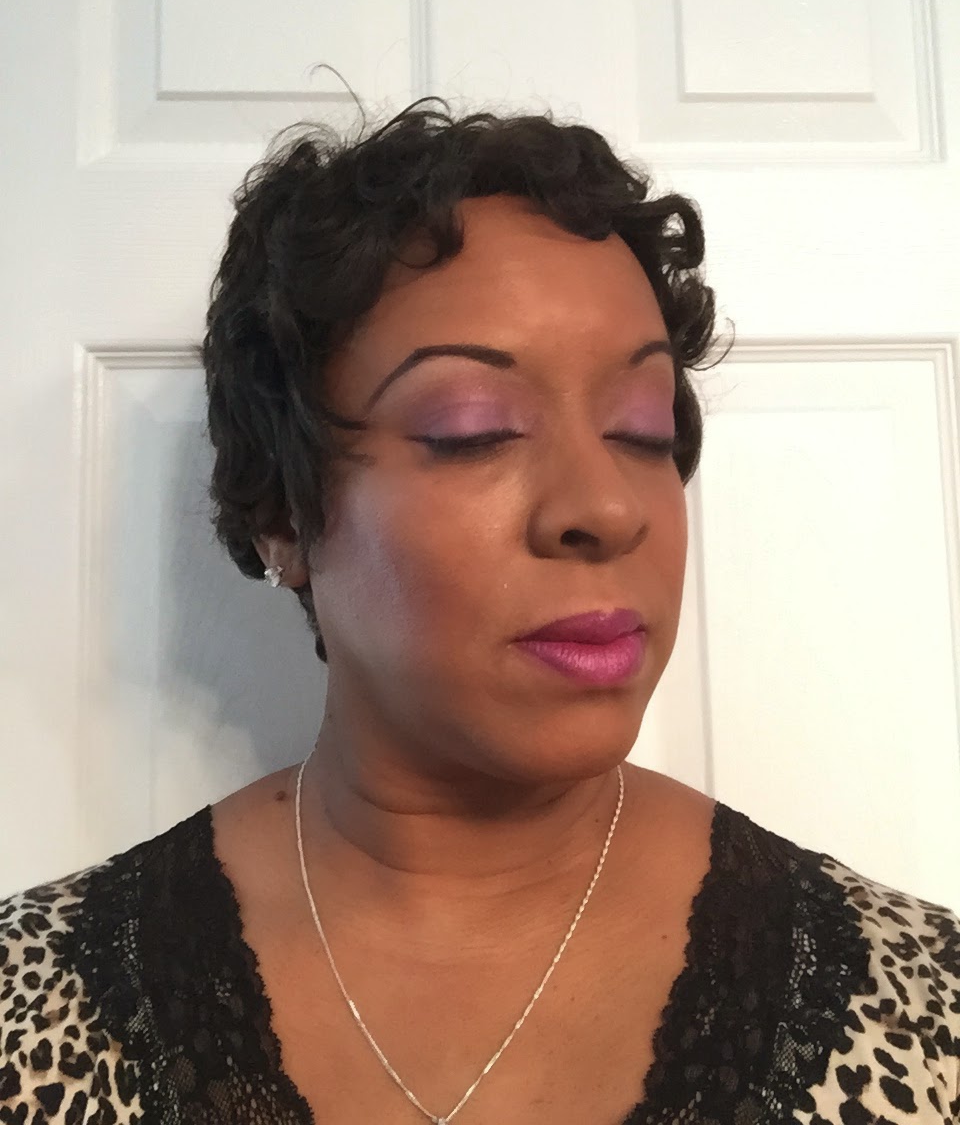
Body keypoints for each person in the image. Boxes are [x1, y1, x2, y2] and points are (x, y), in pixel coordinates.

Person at [1, 100, 957, 1125]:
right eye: (475, 429)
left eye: (642, 429)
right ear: (283, 511)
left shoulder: (923, 1012)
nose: (605, 508)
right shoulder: (28, 1006)